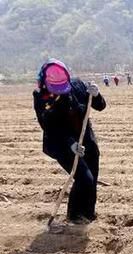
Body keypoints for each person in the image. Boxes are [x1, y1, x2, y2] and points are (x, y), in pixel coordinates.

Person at [33, 58, 107, 224]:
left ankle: (88, 214)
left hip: (86, 139)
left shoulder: (78, 86)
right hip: (62, 144)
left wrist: (96, 95)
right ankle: (74, 216)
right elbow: (49, 127)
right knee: (84, 178)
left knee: (92, 178)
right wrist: (70, 144)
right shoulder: (41, 98)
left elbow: (100, 106)